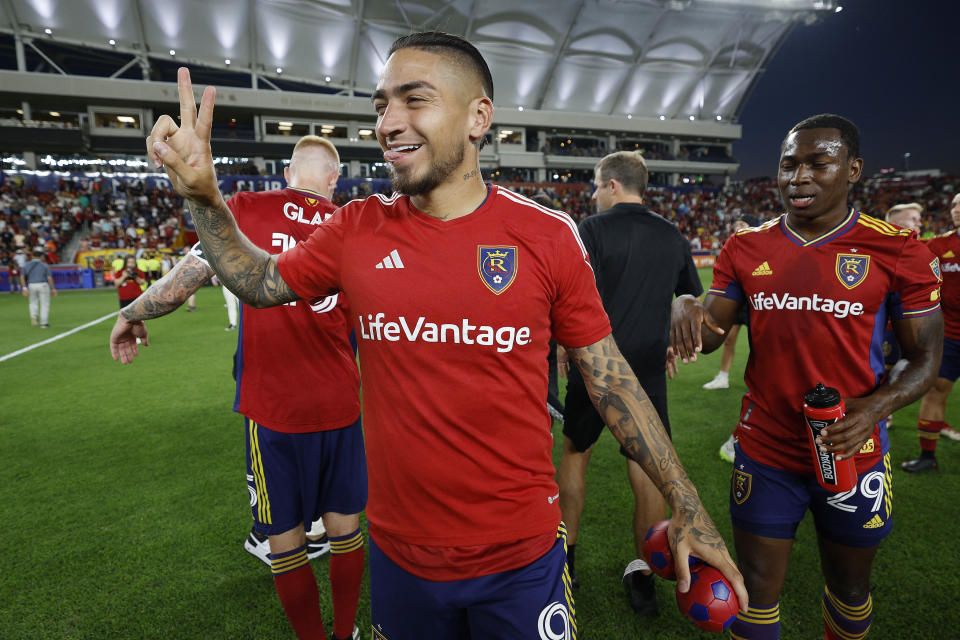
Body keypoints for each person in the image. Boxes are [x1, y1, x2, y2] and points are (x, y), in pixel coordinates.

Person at [147, 33, 746, 639]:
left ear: (478, 117)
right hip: (402, 559)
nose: (389, 122)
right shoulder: (356, 229)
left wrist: (687, 503)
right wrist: (204, 196)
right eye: (382, 105)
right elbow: (259, 281)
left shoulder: (546, 236)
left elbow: (612, 379)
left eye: (415, 99)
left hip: (522, 558)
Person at [670, 114, 942, 640]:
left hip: (853, 453)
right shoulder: (744, 247)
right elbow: (706, 337)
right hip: (766, 449)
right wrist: (685, 303)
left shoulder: (899, 250)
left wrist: (875, 408)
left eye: (818, 163)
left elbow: (925, 356)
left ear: (853, 169)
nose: (799, 177)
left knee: (849, 590)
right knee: (753, 588)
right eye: (789, 165)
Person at [110, 135, 364, 640]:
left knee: (286, 541)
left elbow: (192, 273)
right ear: (334, 181)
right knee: (346, 533)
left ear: (288, 172)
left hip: (273, 410)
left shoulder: (247, 208)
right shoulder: (353, 226)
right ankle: (345, 634)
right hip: (341, 404)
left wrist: (131, 313)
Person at [554, 150, 702, 615]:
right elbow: (690, 296)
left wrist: (562, 347)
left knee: (577, 452)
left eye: (597, 185)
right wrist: (674, 324)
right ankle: (644, 571)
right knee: (646, 465)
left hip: (595, 363)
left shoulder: (590, 231)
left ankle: (566, 563)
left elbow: (568, 296)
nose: (595, 194)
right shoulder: (673, 235)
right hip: (648, 368)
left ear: (612, 185)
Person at [902, 193, 960, 471]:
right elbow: (906, 252)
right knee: (936, 389)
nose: (957, 210)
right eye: (953, 205)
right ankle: (927, 457)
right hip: (950, 334)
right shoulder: (939, 245)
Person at [880, 203, 924, 430]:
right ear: (895, 223)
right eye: (913, 219)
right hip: (886, 325)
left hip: (914, 322)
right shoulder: (878, 250)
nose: (919, 223)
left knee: (906, 364)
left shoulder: (919, 250)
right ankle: (881, 411)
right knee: (885, 369)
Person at [20, 247, 56, 327]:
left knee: (33, 302)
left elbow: (22, 276)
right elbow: (49, 277)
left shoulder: (26, 265)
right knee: (44, 304)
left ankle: (33, 316)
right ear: (41, 256)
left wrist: (24, 288)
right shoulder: (45, 265)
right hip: (43, 284)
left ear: (32, 256)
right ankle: (44, 323)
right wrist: (53, 288)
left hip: (31, 285)